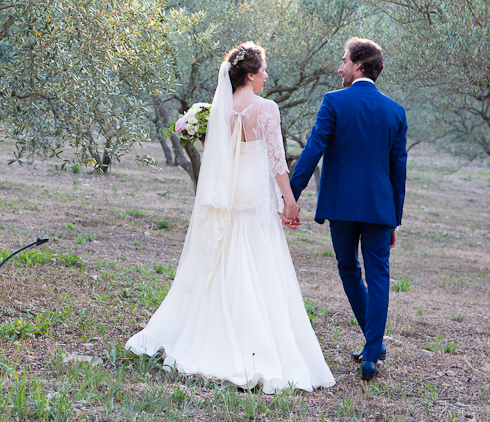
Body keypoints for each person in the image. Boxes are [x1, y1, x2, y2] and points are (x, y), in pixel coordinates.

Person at [126, 42, 335, 393]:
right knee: (259, 261)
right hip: (255, 196)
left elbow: (217, 154)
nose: (267, 76)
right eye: (264, 70)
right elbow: (276, 161)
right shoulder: (266, 108)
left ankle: (215, 334)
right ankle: (256, 344)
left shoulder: (219, 110)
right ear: (250, 75)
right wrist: (290, 201)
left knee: (224, 260)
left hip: (226, 194)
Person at [289, 37, 407, 381]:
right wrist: (394, 219)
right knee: (379, 276)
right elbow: (398, 171)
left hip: (341, 205)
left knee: (348, 270)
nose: (340, 67)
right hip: (380, 209)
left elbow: (312, 151)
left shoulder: (334, 102)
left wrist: (291, 196)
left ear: (358, 65)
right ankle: (373, 350)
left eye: (343, 61)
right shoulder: (395, 111)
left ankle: (373, 344)